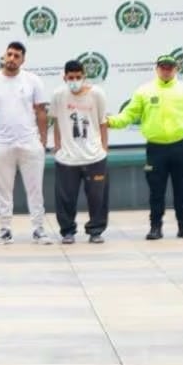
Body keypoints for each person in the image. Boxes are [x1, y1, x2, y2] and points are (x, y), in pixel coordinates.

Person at [108, 54, 183, 240]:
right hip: (156, 148)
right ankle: (155, 228)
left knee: (182, 189)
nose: (166, 71)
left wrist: (180, 133)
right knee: (156, 190)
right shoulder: (144, 91)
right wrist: (111, 122)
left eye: (170, 67)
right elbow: (129, 114)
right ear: (157, 68)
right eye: (163, 67)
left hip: (181, 147)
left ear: (176, 69)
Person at [0, 41, 51, 245]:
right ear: (4, 56)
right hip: (1, 144)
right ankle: (5, 230)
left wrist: (43, 141)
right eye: (9, 54)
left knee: (35, 189)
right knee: (3, 191)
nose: (12, 59)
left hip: (30, 143)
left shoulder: (33, 80)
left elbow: (40, 111)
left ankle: (39, 229)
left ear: (23, 59)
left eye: (16, 56)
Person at [50, 59, 110, 244]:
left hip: (94, 156)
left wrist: (104, 148)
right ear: (64, 77)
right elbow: (56, 121)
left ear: (84, 76)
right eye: (71, 77)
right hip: (68, 157)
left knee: (97, 197)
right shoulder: (58, 95)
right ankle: (67, 231)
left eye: (78, 77)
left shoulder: (97, 94)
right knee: (65, 198)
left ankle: (96, 230)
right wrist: (58, 146)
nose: (74, 80)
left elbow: (103, 122)